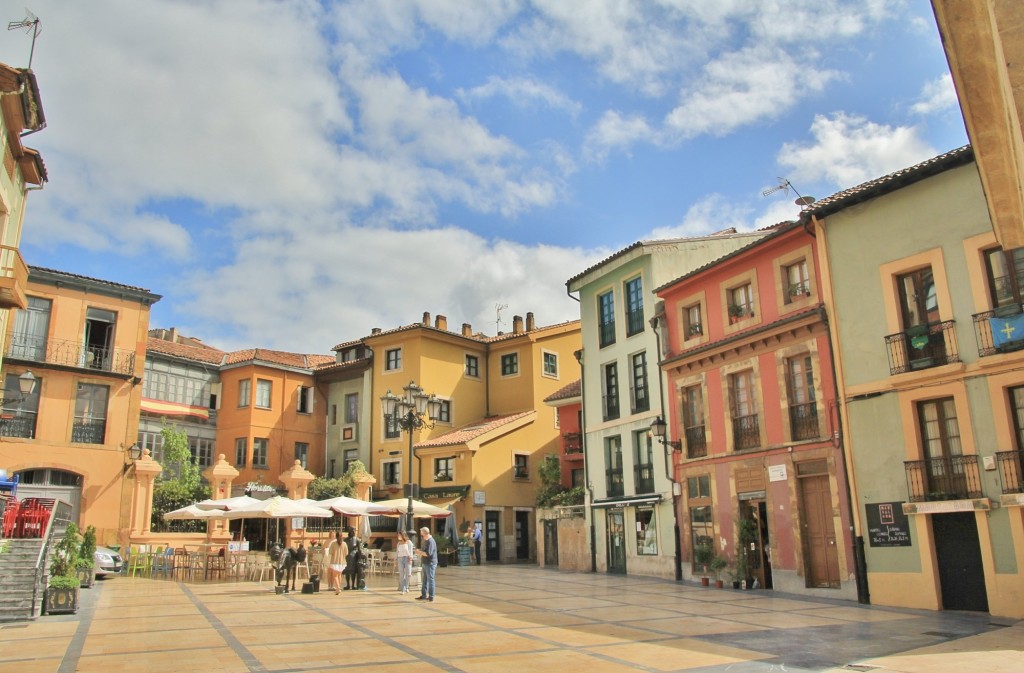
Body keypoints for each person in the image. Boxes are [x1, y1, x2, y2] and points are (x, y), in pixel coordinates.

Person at [415, 526, 437, 602]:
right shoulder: (425, 540)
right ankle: (424, 595)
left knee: (431, 579)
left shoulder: (430, 541)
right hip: (425, 562)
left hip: (430, 563)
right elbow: (424, 551)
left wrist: (419, 552)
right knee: (424, 580)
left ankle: (431, 596)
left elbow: (428, 553)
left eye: (421, 532)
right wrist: (420, 551)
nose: (420, 533)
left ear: (424, 533)